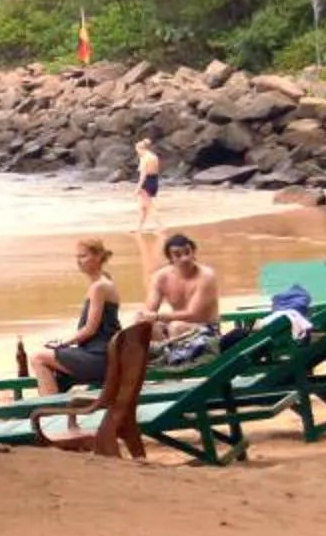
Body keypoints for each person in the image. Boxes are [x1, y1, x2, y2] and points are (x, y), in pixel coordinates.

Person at [27, 240, 122, 394]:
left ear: (98, 257)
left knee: (38, 357)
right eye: (77, 257)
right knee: (50, 358)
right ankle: (52, 402)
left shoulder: (99, 287)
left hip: (99, 357)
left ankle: (51, 409)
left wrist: (63, 343)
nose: (79, 261)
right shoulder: (104, 282)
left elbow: (90, 329)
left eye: (83, 256)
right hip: (105, 353)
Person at [141, 233, 222, 366]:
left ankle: (172, 362)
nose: (184, 258)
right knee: (145, 326)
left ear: (193, 252)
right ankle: (162, 361)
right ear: (170, 258)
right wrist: (145, 319)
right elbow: (149, 311)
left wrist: (156, 316)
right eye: (178, 255)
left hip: (206, 330)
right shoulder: (161, 277)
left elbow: (193, 314)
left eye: (187, 252)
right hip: (176, 333)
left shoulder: (206, 276)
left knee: (176, 326)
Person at [134, 134, 162, 232]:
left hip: (146, 183)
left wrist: (138, 188)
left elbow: (143, 175)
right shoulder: (154, 157)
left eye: (137, 150)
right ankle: (139, 228)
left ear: (141, 149)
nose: (137, 152)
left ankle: (160, 227)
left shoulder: (144, 158)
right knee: (142, 207)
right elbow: (156, 171)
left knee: (149, 207)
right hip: (154, 181)